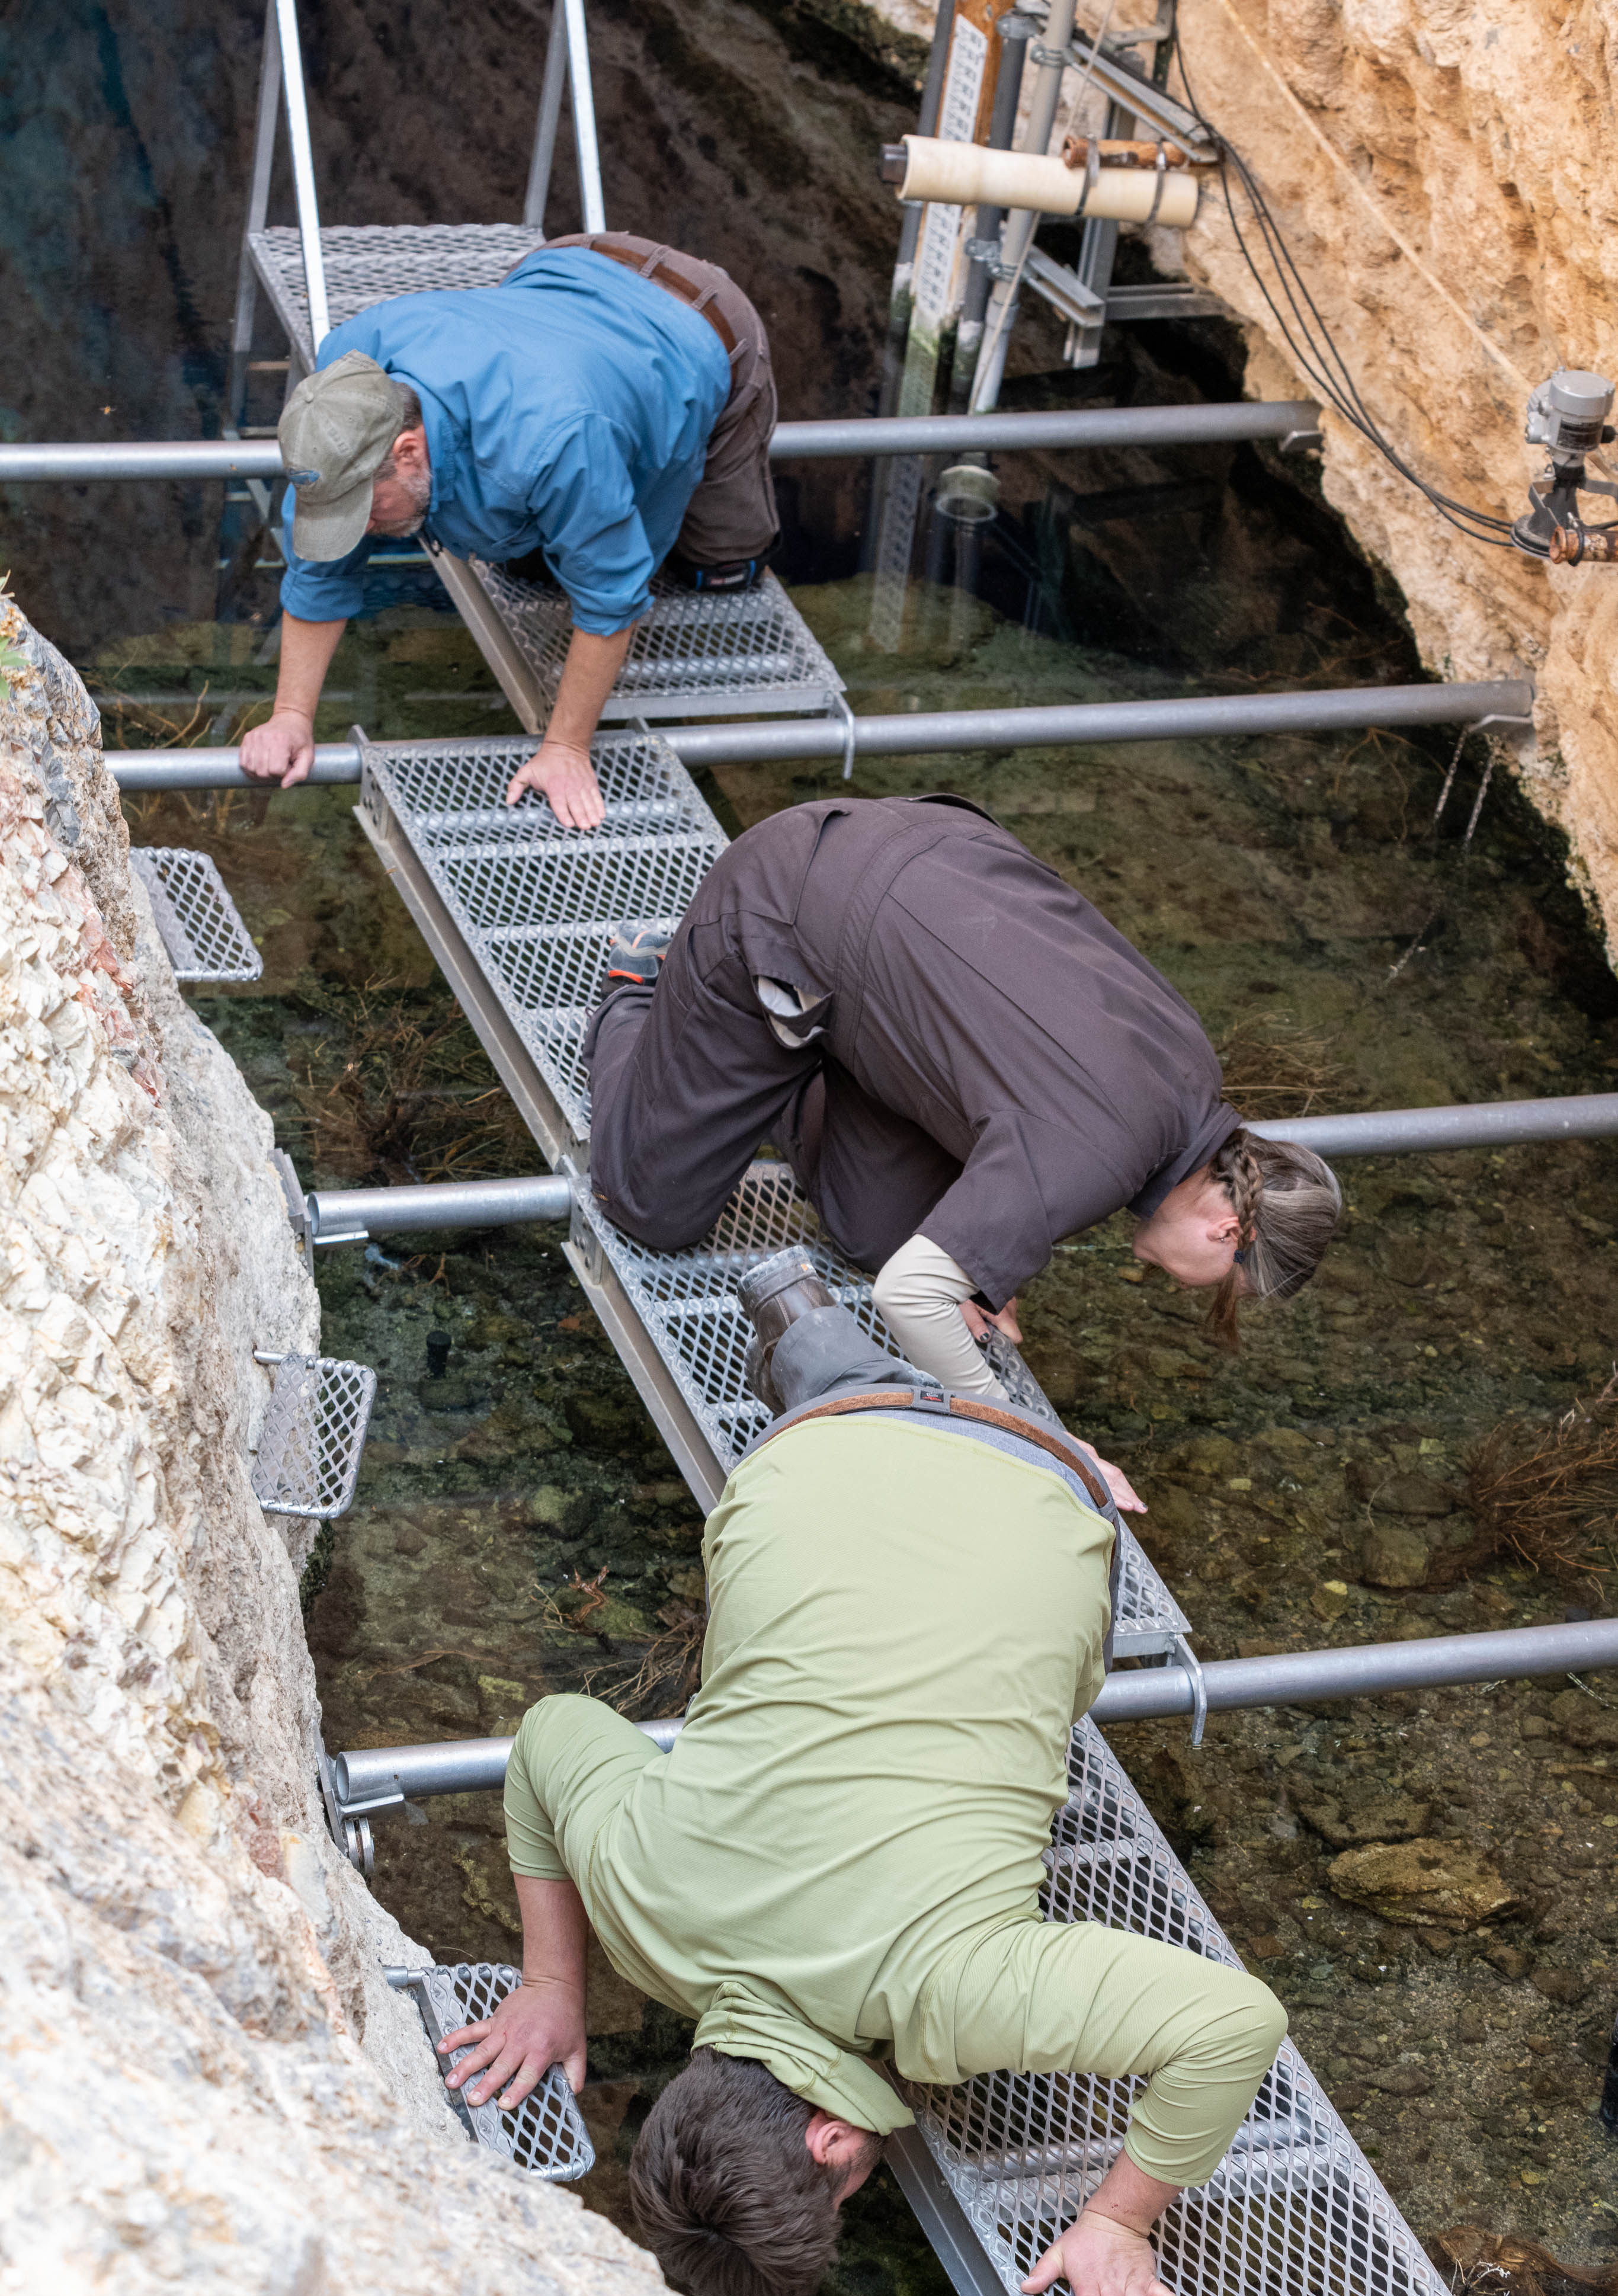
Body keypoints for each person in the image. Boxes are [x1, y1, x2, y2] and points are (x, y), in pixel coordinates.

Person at [436, 1276, 1287, 2296]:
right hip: (806, 1460)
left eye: (842, 2200)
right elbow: (552, 1731)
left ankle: (886, 1375)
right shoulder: (639, 1910)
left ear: (835, 2143)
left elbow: (1235, 2027)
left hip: (1046, 1485)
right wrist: (555, 1985)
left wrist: (1117, 2221)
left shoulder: (956, 1996)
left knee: (1060, 1679)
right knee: (847, 1488)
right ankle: (822, 1344)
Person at [584, 793, 1341, 1508]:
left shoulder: (1189, 1074)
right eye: (1220, 1287)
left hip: (927, 862)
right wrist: (1032, 1438)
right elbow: (910, 1297)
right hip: (788, 901)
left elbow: (1021, 1075)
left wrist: (978, 1264)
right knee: (649, 1206)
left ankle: (761, 1067)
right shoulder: (1104, 1155)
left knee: (878, 1232)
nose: (1190, 1289)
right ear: (1228, 1232)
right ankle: (640, 987)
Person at [238, 233, 778, 830]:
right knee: (529, 554)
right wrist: (290, 714)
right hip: (565, 280)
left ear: (409, 449)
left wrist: (566, 749)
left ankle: (706, 522)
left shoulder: (553, 444)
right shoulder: (348, 382)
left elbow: (612, 600)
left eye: (364, 509)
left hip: (700, 328)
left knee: (718, 566)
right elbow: (320, 570)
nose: (359, 529)